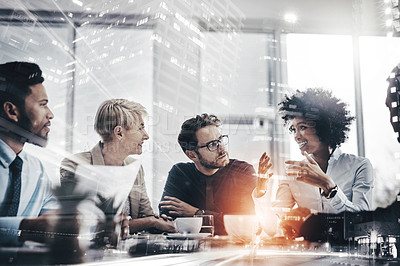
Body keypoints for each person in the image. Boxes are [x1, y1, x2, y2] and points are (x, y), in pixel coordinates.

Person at [254, 88, 374, 236]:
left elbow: (363, 224)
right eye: (293, 130)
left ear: (324, 126)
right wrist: (261, 191)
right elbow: (273, 229)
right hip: (307, 256)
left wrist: (329, 187)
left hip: (350, 256)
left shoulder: (359, 166)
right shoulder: (292, 173)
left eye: (302, 127)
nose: (297, 137)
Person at [60, 99, 176, 234]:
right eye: (141, 128)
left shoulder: (135, 168)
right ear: (119, 132)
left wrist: (156, 222)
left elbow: (146, 215)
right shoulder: (76, 164)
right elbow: (86, 225)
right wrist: (149, 222)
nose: (146, 136)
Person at [159, 113, 257, 235]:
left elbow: (248, 225)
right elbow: (167, 219)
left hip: (236, 249)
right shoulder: (180, 173)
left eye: (220, 140)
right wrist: (222, 219)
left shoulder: (243, 171)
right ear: (192, 155)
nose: (222, 149)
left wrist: (197, 213)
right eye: (212, 145)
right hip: (191, 252)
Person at [0, 61, 58, 245]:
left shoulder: (36, 169)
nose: (50, 114)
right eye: (42, 105)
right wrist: (27, 228)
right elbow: (39, 227)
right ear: (12, 111)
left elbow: (54, 216)